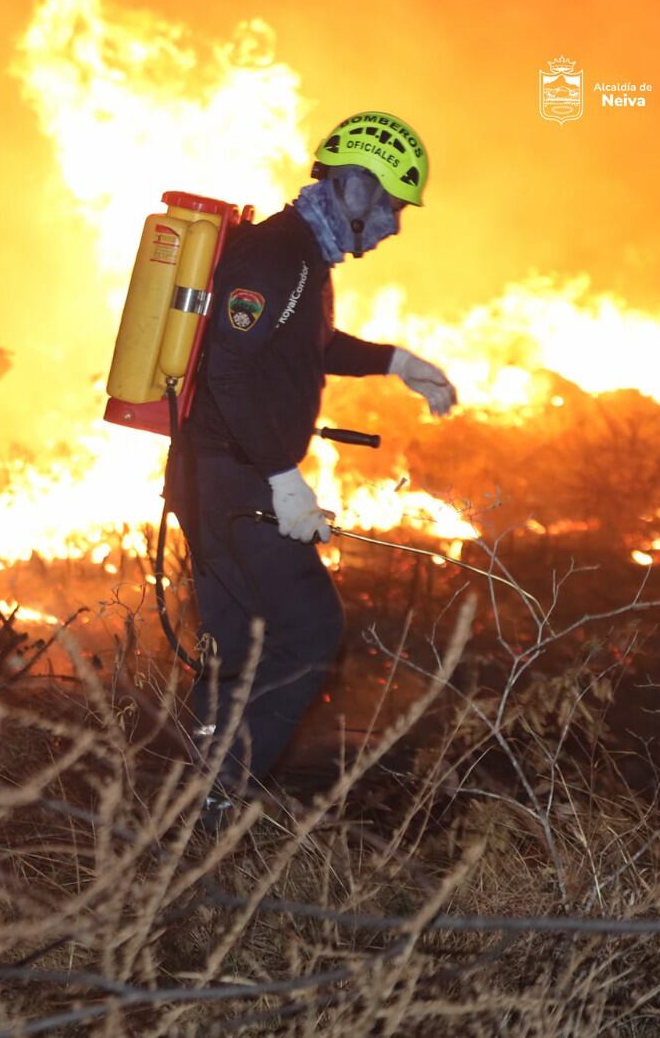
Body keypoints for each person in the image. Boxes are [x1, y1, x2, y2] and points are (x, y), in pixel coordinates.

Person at [173, 112, 458, 824]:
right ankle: (217, 798)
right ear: (357, 191)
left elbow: (307, 346)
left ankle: (179, 801)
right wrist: (280, 477)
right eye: (392, 205)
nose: (394, 225)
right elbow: (230, 372)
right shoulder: (276, 257)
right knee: (308, 631)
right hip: (234, 481)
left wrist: (397, 363)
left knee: (232, 647)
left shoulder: (303, 257)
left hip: (223, 476)